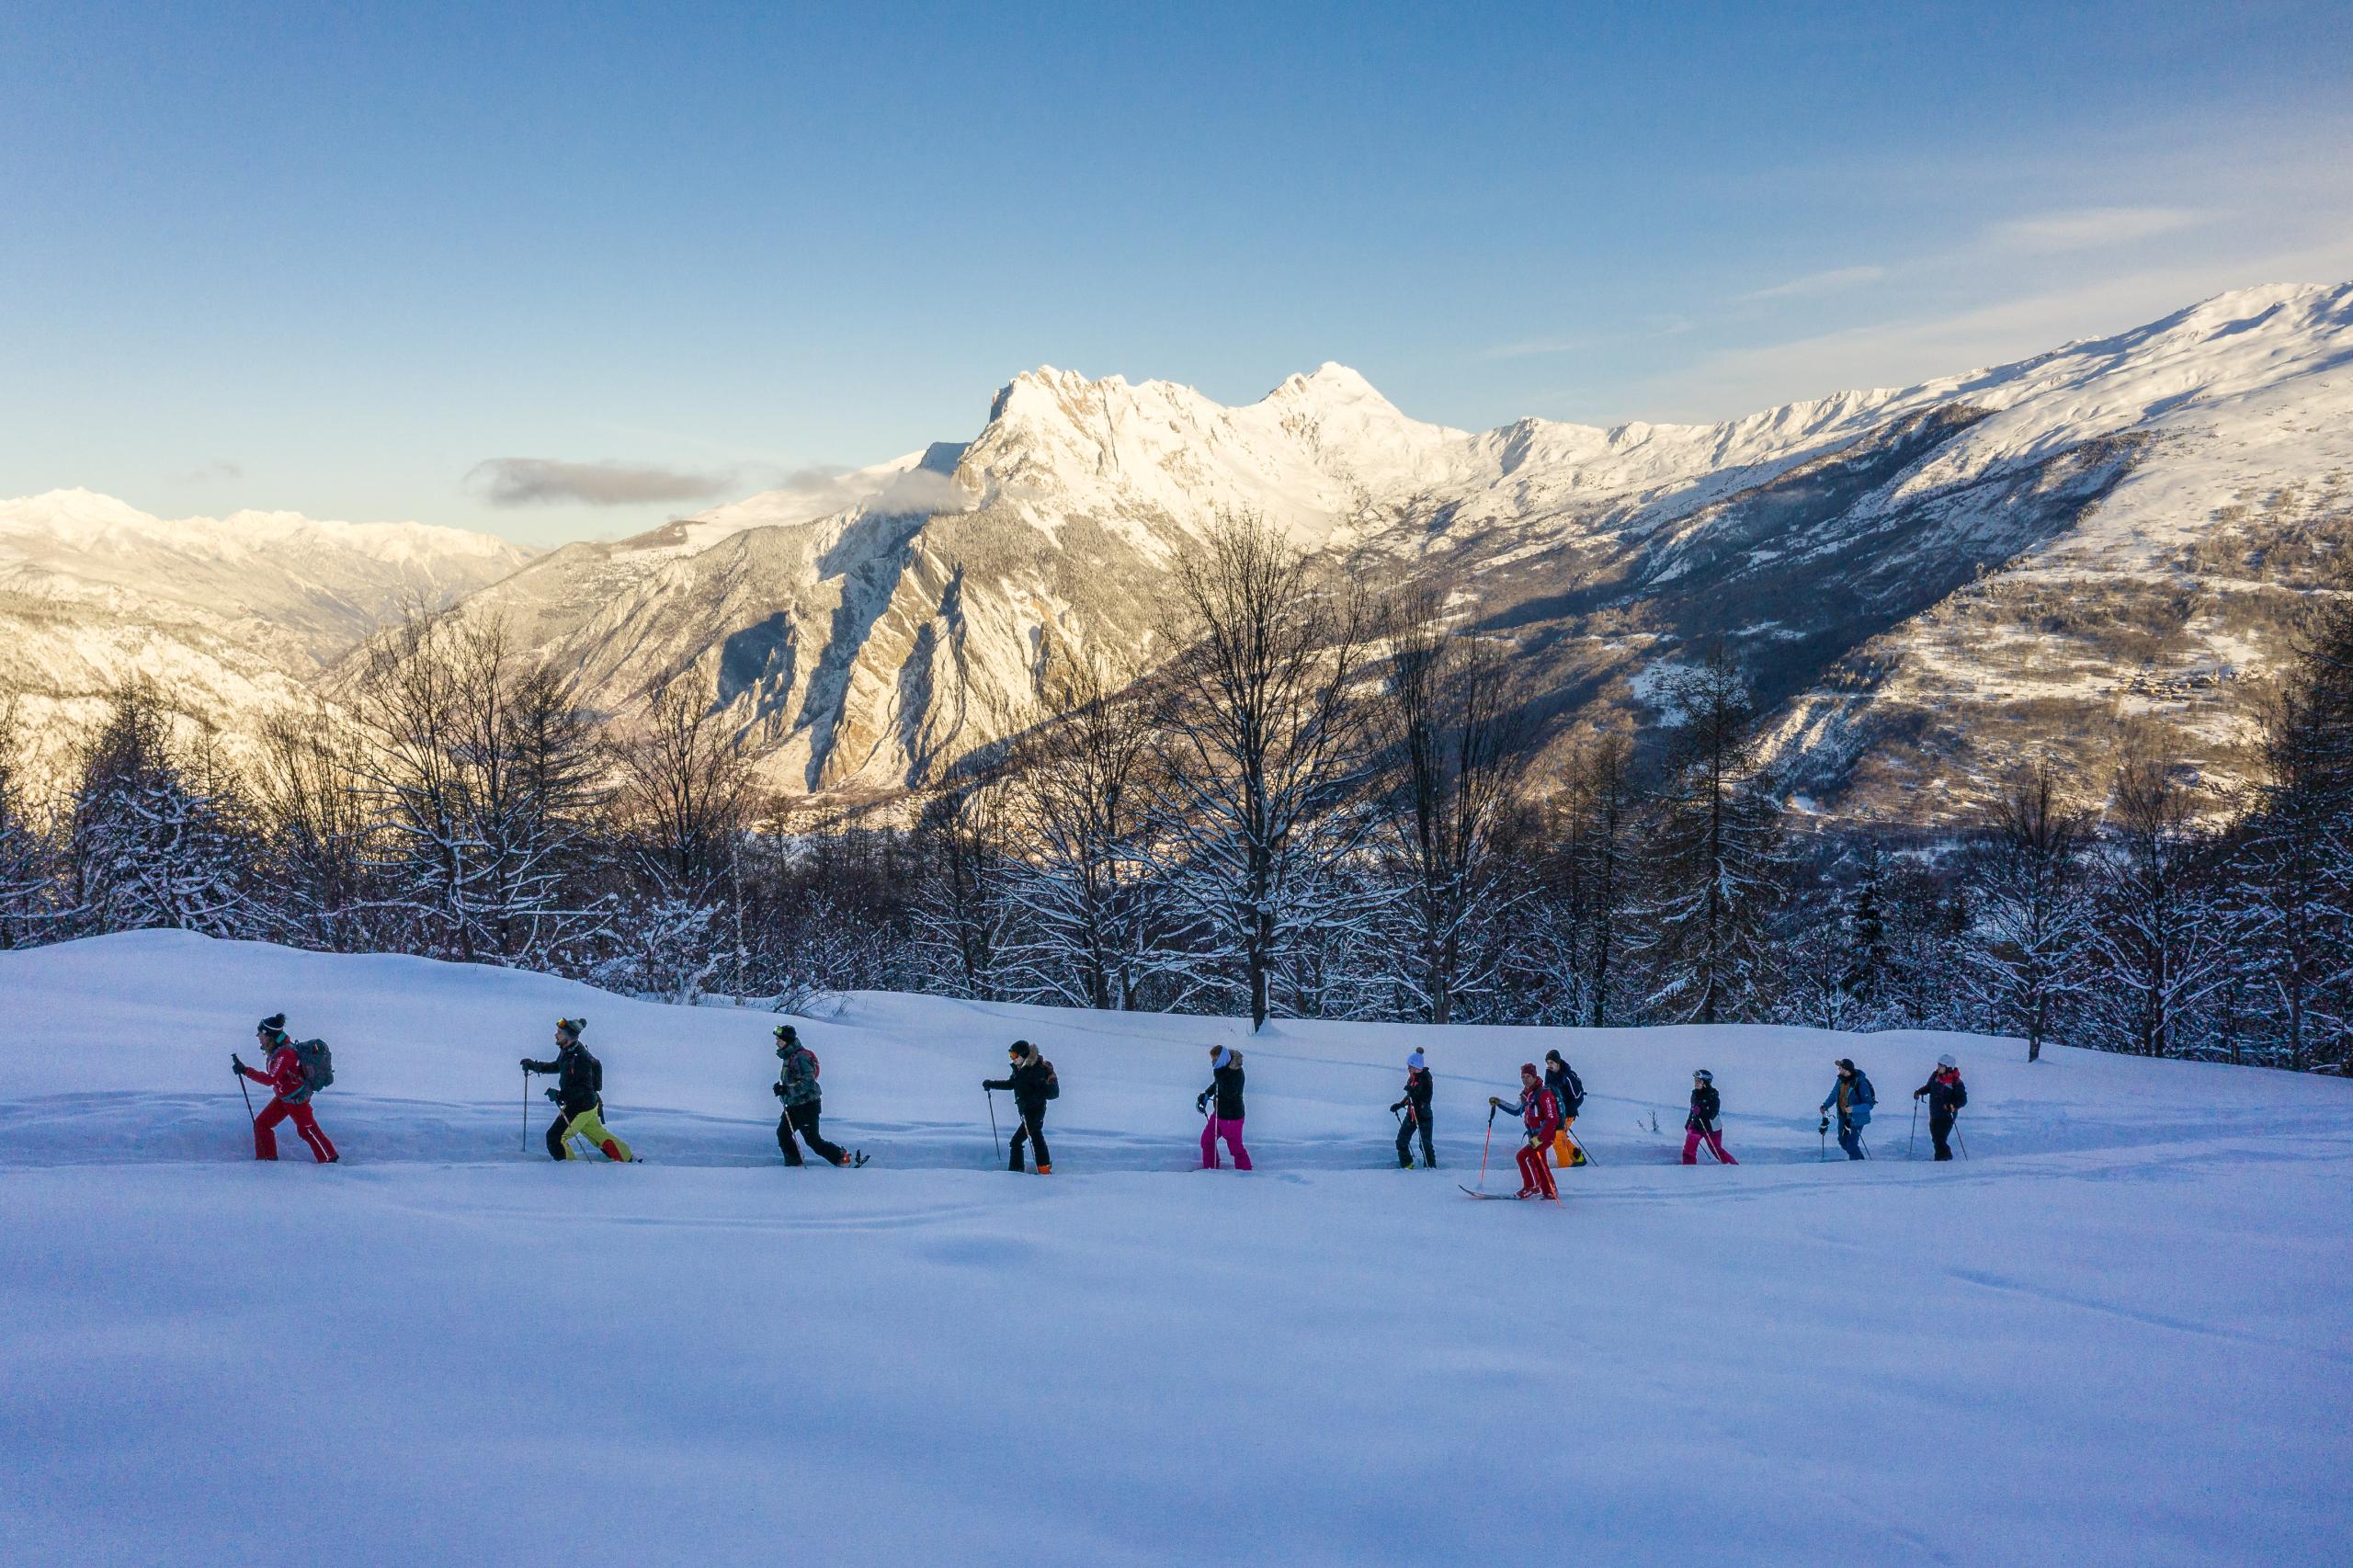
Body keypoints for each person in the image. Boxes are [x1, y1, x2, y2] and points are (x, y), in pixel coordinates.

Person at [521, 1017, 634, 1162]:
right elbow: (558, 1066)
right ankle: (627, 1158)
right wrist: (536, 1066)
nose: (556, 1035)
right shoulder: (568, 1050)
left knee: (555, 1138)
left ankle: (569, 1170)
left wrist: (559, 1094)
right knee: (597, 1134)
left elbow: (583, 1089)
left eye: (559, 1033)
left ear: (568, 1036)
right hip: (587, 1105)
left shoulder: (581, 1059)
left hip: (581, 1106)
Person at [232, 1013, 338, 1164]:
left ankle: (329, 1160)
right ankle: (266, 1161)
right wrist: (245, 1070)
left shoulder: (285, 1054)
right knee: (262, 1124)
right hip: (285, 1097)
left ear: (269, 1035)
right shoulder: (277, 1051)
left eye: (260, 1033)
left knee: (307, 1130)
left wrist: (246, 1071)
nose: (258, 1036)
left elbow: (270, 1080)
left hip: (296, 1100)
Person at [772, 1023, 856, 1168]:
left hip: (807, 1106)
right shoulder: (789, 1056)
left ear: (787, 1041)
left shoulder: (801, 1057)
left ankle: (842, 1158)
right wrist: (782, 1089)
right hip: (794, 1105)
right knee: (783, 1134)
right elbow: (793, 1081)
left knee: (813, 1141)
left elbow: (808, 1083)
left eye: (779, 1040)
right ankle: (794, 1162)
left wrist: (787, 1091)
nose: (776, 1042)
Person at [983, 1040, 1057, 1175]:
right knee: (1036, 1138)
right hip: (1027, 1112)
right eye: (1010, 1055)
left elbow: (1043, 1093)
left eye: (1014, 1055)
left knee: (1017, 1141)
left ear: (1023, 1055)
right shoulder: (1020, 1070)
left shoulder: (1034, 1071)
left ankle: (1016, 1172)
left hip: (1035, 1112)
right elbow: (1011, 1084)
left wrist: (1031, 1101)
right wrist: (991, 1084)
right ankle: (1044, 1169)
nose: (1012, 1058)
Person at [1488, 1063, 1561, 1200]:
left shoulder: (1544, 1093)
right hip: (1534, 1136)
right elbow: (1516, 1111)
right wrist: (1499, 1103)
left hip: (1544, 1136)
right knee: (1538, 1161)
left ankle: (1529, 1187)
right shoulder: (1526, 1095)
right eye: (1523, 1077)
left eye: (1528, 1076)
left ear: (1534, 1076)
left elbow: (1553, 1120)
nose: (1525, 1079)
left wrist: (1540, 1138)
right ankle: (1548, 1190)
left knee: (1521, 1156)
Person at [1198, 1045, 1253, 1170]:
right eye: (1212, 1059)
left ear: (1223, 1059)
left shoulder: (1236, 1073)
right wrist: (1206, 1095)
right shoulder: (1223, 1070)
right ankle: (1210, 1169)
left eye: (1215, 1059)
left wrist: (1218, 1073)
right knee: (1207, 1141)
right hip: (1219, 1114)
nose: (1212, 1062)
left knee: (1236, 1149)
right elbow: (1217, 1084)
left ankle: (1246, 1175)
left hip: (1232, 1118)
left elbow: (1229, 1092)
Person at [1913, 1054, 1968, 1161]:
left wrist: (1952, 1106)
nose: (1938, 1068)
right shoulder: (1935, 1076)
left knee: (1940, 1139)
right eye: (1938, 1065)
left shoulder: (1956, 1082)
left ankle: (1941, 1160)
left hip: (1947, 1115)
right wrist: (1919, 1092)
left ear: (1948, 1067)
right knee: (1936, 1138)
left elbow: (1962, 1100)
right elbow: (1929, 1087)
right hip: (1934, 1113)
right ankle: (1945, 1158)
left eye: (1941, 1066)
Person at [1819, 1057, 1877, 1161]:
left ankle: (1856, 1165)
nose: (1838, 1070)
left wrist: (1853, 1109)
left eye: (1840, 1068)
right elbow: (1834, 1095)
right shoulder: (1840, 1080)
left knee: (1851, 1144)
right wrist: (1825, 1105)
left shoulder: (1860, 1083)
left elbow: (1869, 1104)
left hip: (1856, 1119)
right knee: (1842, 1141)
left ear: (1846, 1070)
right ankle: (1859, 1160)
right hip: (1843, 1117)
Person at [1391, 1048, 1435, 1169]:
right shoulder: (1412, 1078)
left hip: (1423, 1115)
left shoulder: (1426, 1079)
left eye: (1410, 1066)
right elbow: (1410, 1096)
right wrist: (1400, 1105)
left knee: (1425, 1145)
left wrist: (1413, 1091)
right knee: (1401, 1142)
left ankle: (1431, 1169)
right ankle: (1408, 1166)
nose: (1408, 1069)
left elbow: (1425, 1098)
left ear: (1416, 1067)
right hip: (1411, 1114)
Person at [1543, 1049, 1586, 1167]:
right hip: (1557, 1114)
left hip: (1568, 1113)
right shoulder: (1549, 1074)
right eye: (1548, 1063)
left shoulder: (1567, 1076)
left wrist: (1566, 1111)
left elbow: (1578, 1096)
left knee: (1557, 1139)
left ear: (1557, 1063)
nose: (1549, 1065)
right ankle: (1578, 1158)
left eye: (1551, 1063)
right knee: (1560, 1138)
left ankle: (1565, 1167)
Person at [1682, 1070, 1735, 1165]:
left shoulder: (1713, 1096)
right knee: (1688, 1149)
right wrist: (1688, 1122)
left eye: (1698, 1081)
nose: (1696, 1083)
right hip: (1697, 1125)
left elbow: (1713, 1114)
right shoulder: (1695, 1094)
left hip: (1713, 1126)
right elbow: (1693, 1110)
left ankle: (1732, 1166)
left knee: (1716, 1150)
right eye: (1695, 1080)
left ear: (1705, 1082)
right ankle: (1688, 1168)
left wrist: (1701, 1110)